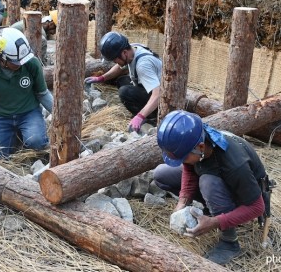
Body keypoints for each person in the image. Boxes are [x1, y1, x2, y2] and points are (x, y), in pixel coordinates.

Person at [154, 110, 267, 265]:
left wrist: (216, 222)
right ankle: (213, 209)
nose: (182, 162)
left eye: (183, 157)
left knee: (208, 183)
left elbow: (257, 207)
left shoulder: (235, 165)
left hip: (243, 195)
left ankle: (229, 242)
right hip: (220, 182)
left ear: (200, 147)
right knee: (161, 173)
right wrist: (182, 202)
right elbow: (189, 167)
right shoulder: (199, 141)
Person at [0, 27, 53, 159]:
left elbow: (43, 93)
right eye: (16, 61)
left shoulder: (32, 64)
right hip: (2, 117)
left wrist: (58, 113)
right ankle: (15, 138)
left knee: (37, 143)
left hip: (29, 113)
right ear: (2, 58)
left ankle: (23, 136)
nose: (21, 63)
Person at [84, 31, 162, 132]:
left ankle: (152, 119)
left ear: (124, 53)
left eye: (115, 60)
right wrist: (101, 78)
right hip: (151, 86)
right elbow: (120, 67)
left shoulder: (143, 65)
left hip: (161, 100)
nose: (114, 62)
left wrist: (140, 116)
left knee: (125, 92)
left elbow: (158, 94)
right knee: (122, 81)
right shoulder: (133, 48)